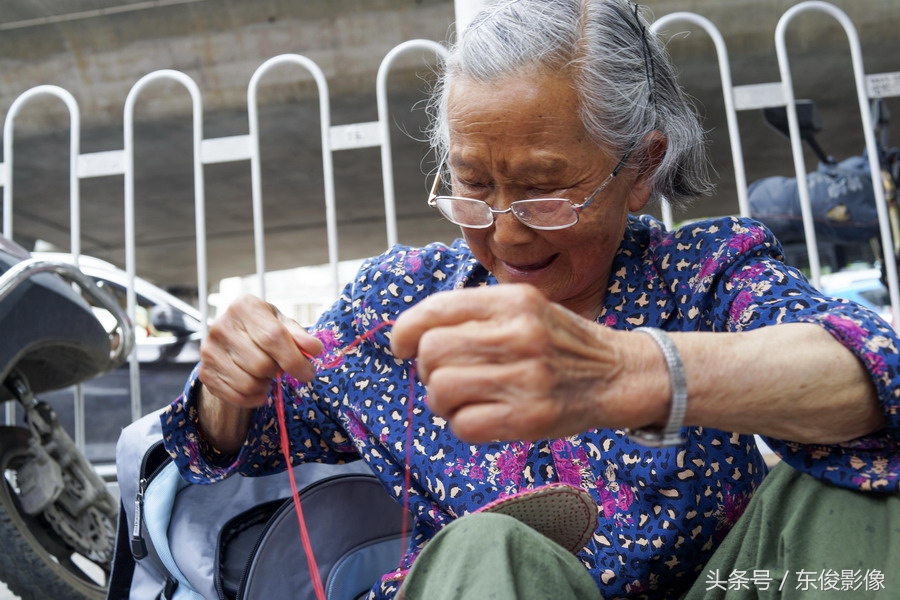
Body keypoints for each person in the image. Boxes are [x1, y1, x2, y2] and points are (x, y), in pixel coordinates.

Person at [160, 0, 900, 598]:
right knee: (489, 548)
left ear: (638, 169)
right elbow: (234, 441)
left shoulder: (703, 276)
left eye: (546, 190)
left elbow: (876, 373)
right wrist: (230, 377)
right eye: (475, 187)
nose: (508, 235)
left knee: (859, 489)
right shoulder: (402, 305)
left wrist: (629, 373)